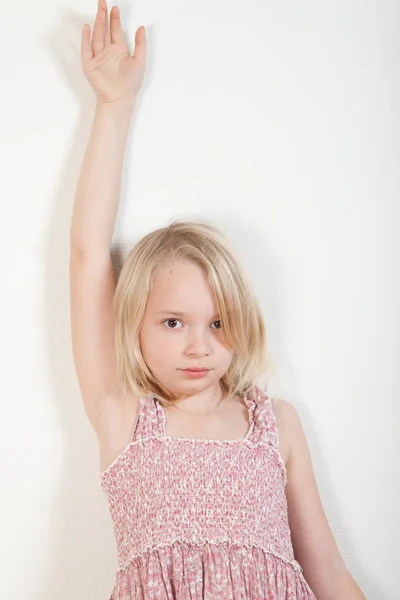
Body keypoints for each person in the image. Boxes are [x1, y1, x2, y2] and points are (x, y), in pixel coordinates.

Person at [69, 1, 367, 598]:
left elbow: (328, 574)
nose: (199, 345)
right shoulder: (123, 417)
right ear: (136, 327)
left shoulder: (274, 423)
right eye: (174, 322)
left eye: (220, 322)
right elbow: (86, 252)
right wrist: (112, 106)